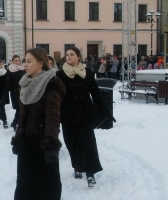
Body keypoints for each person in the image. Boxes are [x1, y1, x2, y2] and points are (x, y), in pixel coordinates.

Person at [56, 46, 115, 187]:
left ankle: (90, 172)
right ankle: (77, 167)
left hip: (85, 115)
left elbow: (96, 94)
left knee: (88, 144)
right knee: (72, 143)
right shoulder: (60, 75)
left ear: (78, 57)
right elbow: (55, 97)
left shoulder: (87, 73)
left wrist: (107, 112)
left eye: (72, 54)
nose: (68, 57)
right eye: (67, 55)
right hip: (67, 115)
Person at [11, 48, 65, 200]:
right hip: (26, 142)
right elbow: (23, 115)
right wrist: (17, 138)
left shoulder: (52, 84)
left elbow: (53, 117)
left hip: (43, 143)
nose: (25, 65)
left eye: (29, 61)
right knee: (25, 184)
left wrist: (51, 144)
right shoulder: (26, 83)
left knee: (47, 185)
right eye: (24, 61)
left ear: (40, 63)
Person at [1, 55, 25, 131]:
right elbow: (7, 84)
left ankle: (15, 123)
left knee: (21, 109)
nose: (18, 62)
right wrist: (4, 95)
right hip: (15, 93)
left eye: (19, 60)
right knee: (19, 109)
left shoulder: (23, 69)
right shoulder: (10, 71)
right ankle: (16, 124)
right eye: (16, 61)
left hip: (23, 92)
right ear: (12, 61)